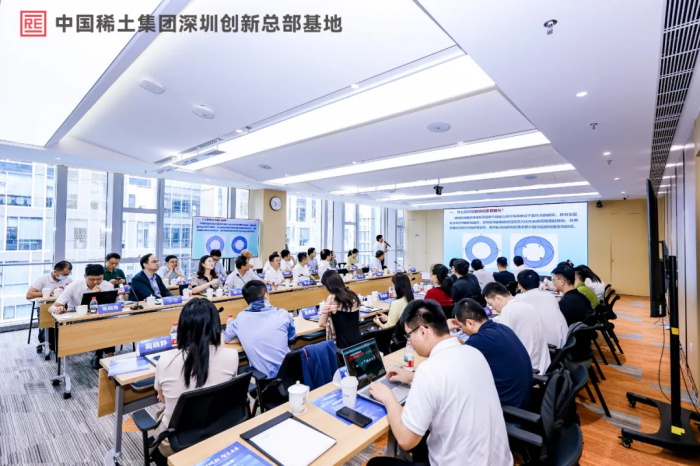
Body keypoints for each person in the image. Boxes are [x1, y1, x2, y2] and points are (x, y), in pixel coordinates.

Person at [368, 300, 512, 466]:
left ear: (422, 331)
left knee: (376, 463)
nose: (410, 342)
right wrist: (412, 376)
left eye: (409, 335)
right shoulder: (473, 352)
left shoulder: (429, 370)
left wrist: (388, 397)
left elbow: (406, 440)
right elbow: (451, 379)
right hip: (497, 460)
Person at [154, 298, 239, 458]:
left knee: (161, 413)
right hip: (219, 431)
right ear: (216, 326)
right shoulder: (232, 355)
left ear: (182, 326)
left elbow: (163, 399)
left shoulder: (165, 360)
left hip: (176, 443)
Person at [453, 298, 532, 408]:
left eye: (461, 327)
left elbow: (455, 368)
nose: (462, 331)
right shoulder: (502, 328)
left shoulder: (478, 340)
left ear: (470, 323)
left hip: (507, 406)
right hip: (524, 398)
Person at [223, 280, 295, 378]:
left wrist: (243, 338)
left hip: (264, 378)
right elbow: (291, 337)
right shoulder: (283, 314)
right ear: (265, 296)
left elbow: (226, 338)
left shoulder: (241, 318)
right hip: (290, 373)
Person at [50, 264, 115, 369]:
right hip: (78, 321)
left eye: (99, 279)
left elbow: (111, 305)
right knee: (101, 327)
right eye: (92, 279)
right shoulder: (73, 286)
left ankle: (106, 357)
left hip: (100, 318)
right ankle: (99, 355)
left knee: (109, 325)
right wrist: (58, 309)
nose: (96, 282)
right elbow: (52, 307)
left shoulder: (108, 286)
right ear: (85, 276)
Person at [483, 282, 551, 375]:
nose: (492, 308)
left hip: (528, 368)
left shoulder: (508, 310)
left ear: (498, 298)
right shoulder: (526, 305)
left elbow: (502, 344)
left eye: (491, 304)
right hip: (542, 363)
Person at [26, 261, 73, 352]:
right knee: (48, 325)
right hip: (44, 307)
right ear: (55, 272)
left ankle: (60, 343)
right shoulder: (42, 279)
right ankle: (45, 340)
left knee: (63, 326)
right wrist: (49, 292)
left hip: (62, 307)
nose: (66, 276)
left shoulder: (68, 280)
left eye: (68, 274)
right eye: (64, 274)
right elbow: (29, 295)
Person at [513, 270, 568, 348]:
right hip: (562, 344)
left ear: (519, 285)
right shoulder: (550, 297)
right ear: (539, 284)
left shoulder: (518, 299)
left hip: (545, 348)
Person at [318, 270, 361, 349]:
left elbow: (321, 323)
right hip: (357, 340)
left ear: (328, 286)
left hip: (342, 345)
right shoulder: (352, 295)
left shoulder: (332, 298)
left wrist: (332, 325)